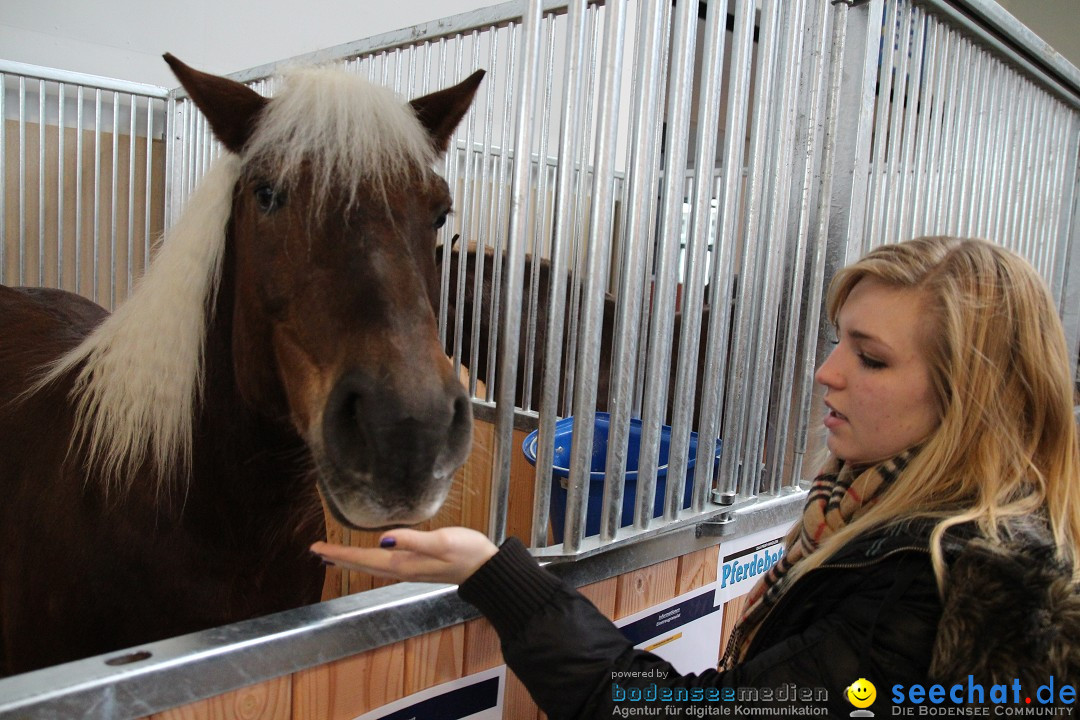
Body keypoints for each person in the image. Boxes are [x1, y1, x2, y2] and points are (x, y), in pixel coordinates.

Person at [313, 237, 1080, 717]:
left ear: (969, 396)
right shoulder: (868, 520)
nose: (825, 373)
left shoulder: (932, 580)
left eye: (870, 358)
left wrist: (503, 579)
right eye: (837, 343)